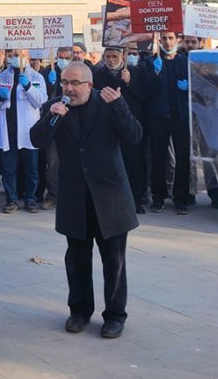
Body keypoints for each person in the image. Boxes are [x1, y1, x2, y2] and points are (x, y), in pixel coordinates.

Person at [30, 62, 141, 339]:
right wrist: (50, 118)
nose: (68, 88)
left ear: (89, 85)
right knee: (77, 257)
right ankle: (79, 311)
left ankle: (115, 315)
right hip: (74, 195)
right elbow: (36, 140)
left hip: (110, 195)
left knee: (114, 260)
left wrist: (120, 107)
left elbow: (135, 136)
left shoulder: (108, 101)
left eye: (74, 83)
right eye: (65, 82)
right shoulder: (55, 106)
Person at [93, 47, 155, 214]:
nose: (111, 60)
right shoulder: (98, 74)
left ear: (122, 56)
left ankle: (136, 198)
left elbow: (145, 96)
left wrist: (129, 82)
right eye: (108, 56)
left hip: (131, 121)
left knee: (134, 161)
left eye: (115, 56)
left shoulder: (135, 71)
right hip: (108, 124)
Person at [0, 48, 48, 213]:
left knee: (31, 168)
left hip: (28, 131)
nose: (16, 58)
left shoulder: (36, 77)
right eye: (12, 55)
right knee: (8, 168)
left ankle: (30, 199)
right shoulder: (1, 77)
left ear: (28, 57)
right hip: (8, 130)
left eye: (20, 55)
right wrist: (0, 97)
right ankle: (11, 199)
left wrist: (29, 87)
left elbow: (41, 101)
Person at [146, 32, 191, 214]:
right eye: (164, 38)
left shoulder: (185, 61)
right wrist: (155, 74)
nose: (167, 41)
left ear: (177, 40)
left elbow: (198, 86)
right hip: (158, 115)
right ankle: (158, 197)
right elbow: (146, 90)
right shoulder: (151, 62)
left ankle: (181, 198)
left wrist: (188, 87)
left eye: (171, 38)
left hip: (180, 116)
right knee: (158, 157)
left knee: (182, 158)